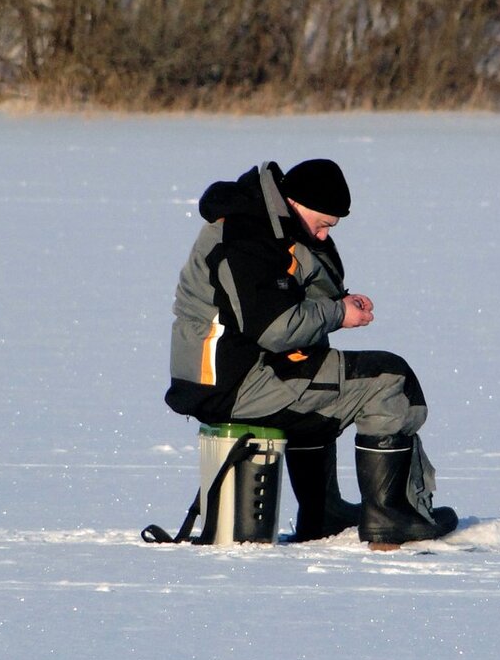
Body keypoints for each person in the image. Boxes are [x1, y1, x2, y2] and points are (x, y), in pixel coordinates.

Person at [165, 159, 457, 547]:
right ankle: (393, 519)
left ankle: (324, 514)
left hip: (227, 375)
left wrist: (339, 302)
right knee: (390, 379)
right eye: (323, 223)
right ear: (294, 202)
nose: (322, 236)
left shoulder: (264, 223)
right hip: (234, 382)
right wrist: (338, 313)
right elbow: (274, 327)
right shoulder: (246, 235)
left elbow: (290, 294)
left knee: (321, 376)